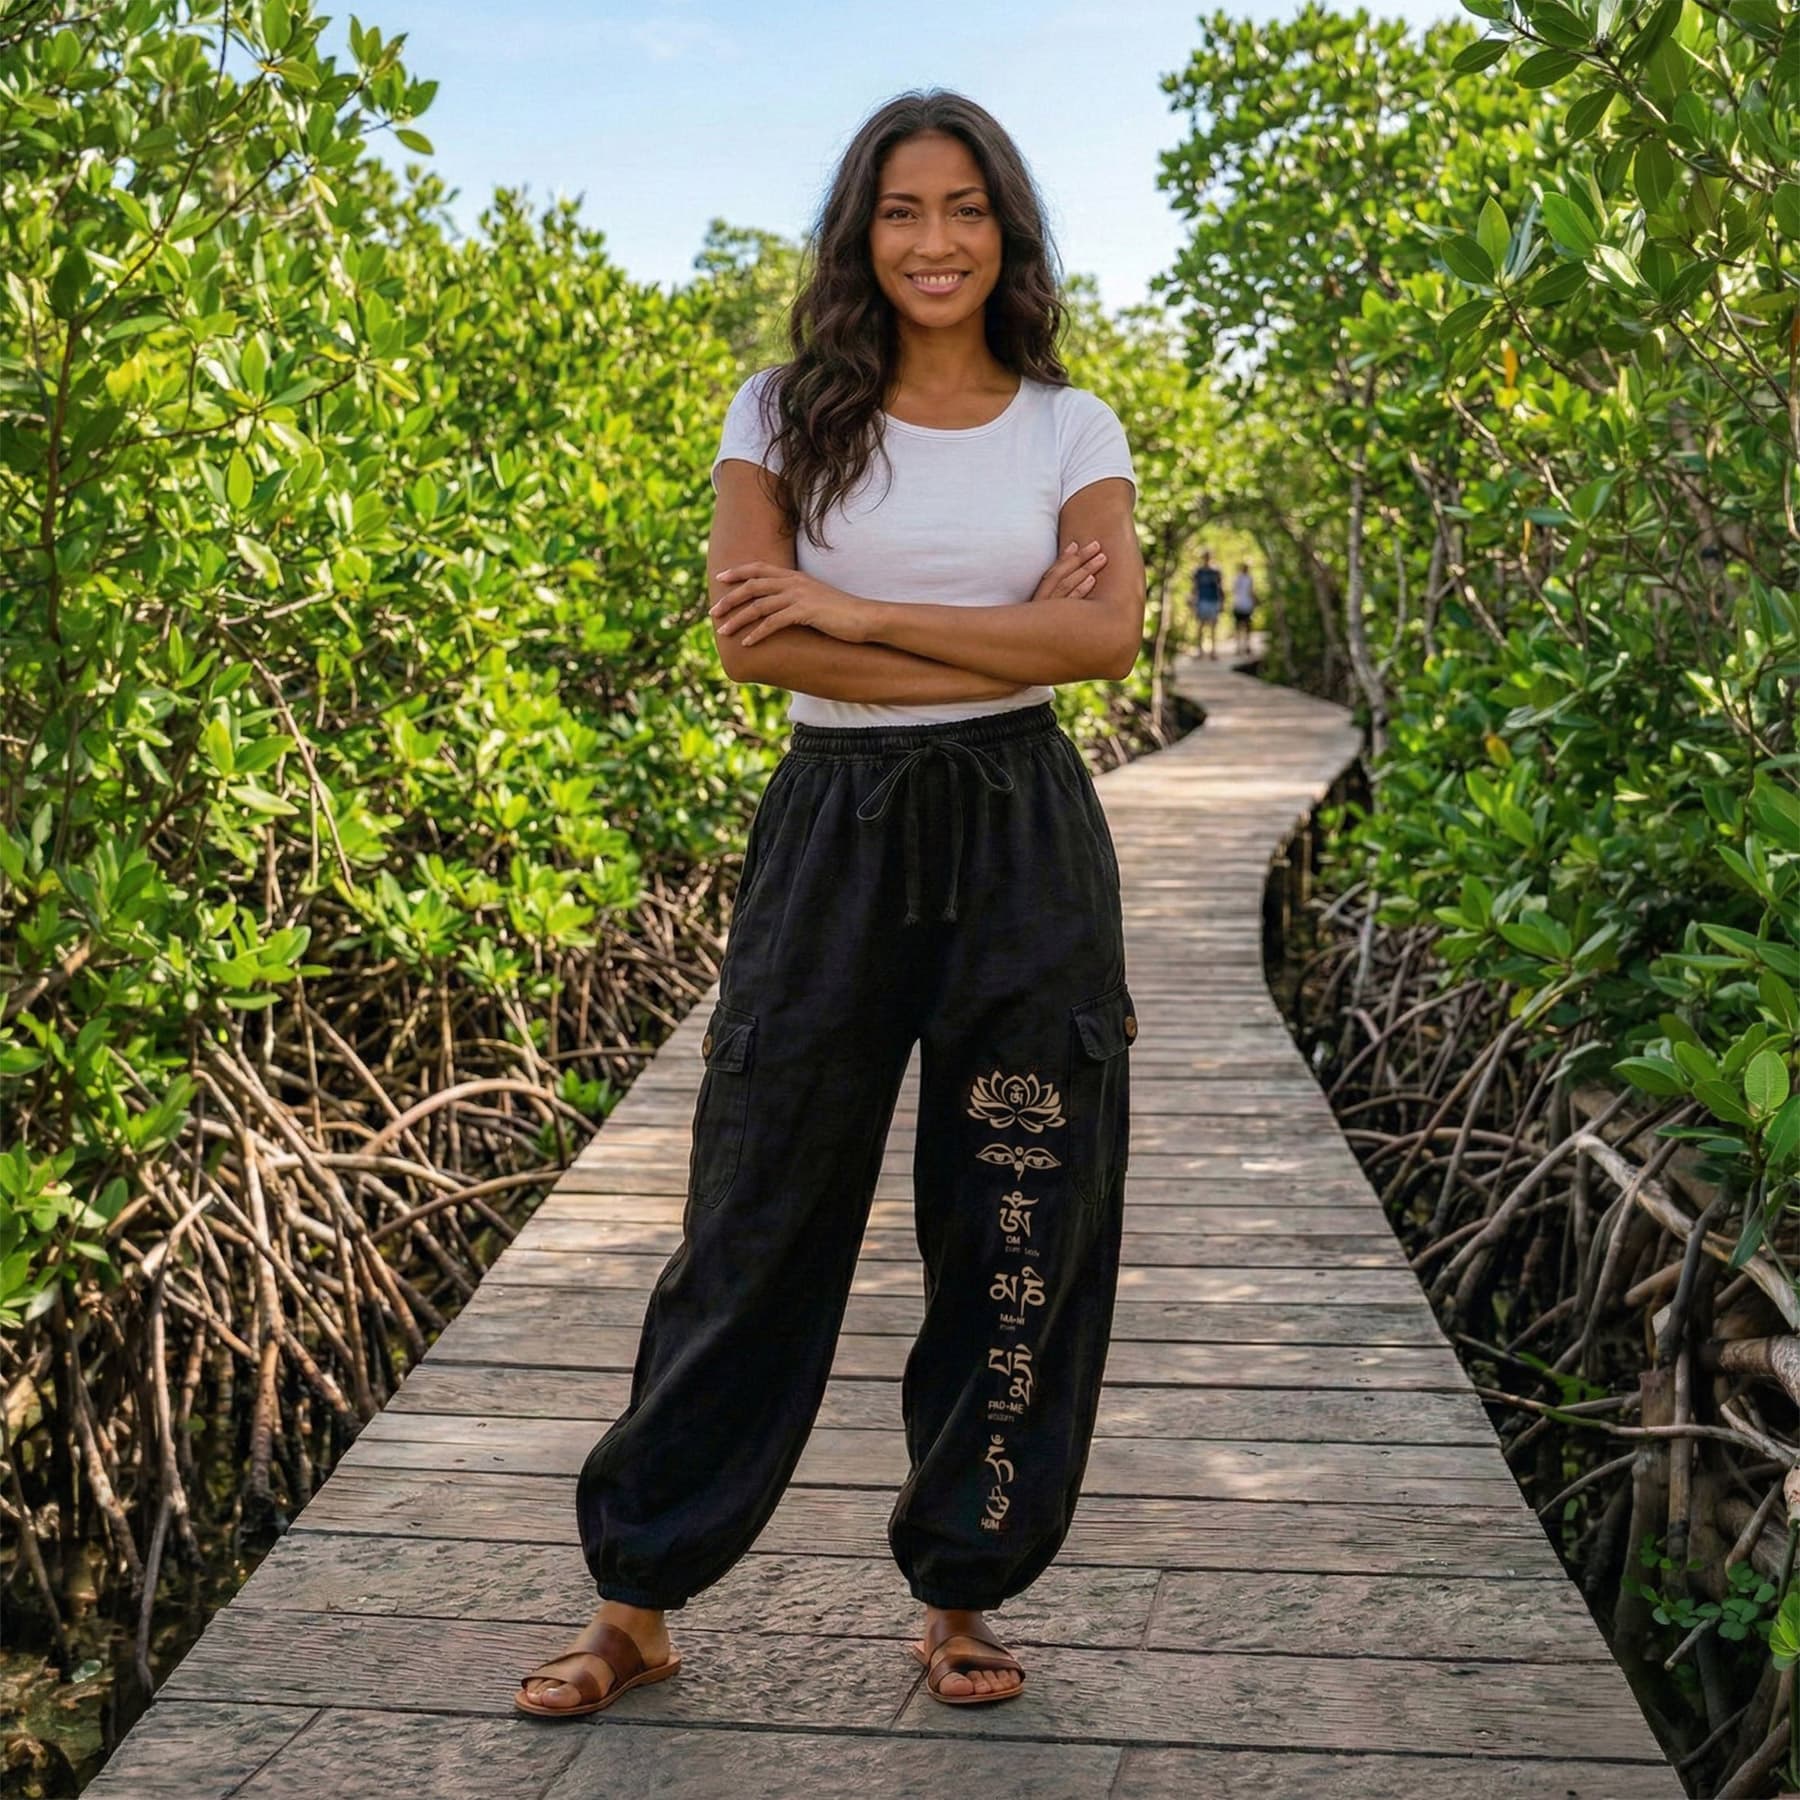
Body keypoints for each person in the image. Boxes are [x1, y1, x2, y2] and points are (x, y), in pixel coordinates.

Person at [513, 89, 1143, 1720]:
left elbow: (1096, 648)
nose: (936, 242)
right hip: (834, 835)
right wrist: (988, 620)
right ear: (861, 238)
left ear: (1007, 230)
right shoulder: (782, 409)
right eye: (901, 211)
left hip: (1024, 841)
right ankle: (639, 1594)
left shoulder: (1071, 426)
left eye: (966, 209)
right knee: (756, 1211)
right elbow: (753, 642)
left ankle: (964, 1587)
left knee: (1018, 1220)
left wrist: (849, 606)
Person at [1191, 550, 1223, 658]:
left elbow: (1220, 587)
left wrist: (1221, 602)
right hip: (1202, 600)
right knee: (1200, 626)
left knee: (1213, 627)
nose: (1207, 559)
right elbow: (1195, 587)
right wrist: (1193, 601)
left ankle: (1213, 652)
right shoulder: (1198, 572)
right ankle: (1200, 652)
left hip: (1213, 600)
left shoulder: (1216, 571)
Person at [1231, 561, 1255, 654]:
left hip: (1246, 605)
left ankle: (1247, 645)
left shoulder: (1249, 578)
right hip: (1239, 604)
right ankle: (1239, 646)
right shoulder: (1238, 578)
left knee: (1247, 626)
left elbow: (1251, 591)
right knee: (1239, 626)